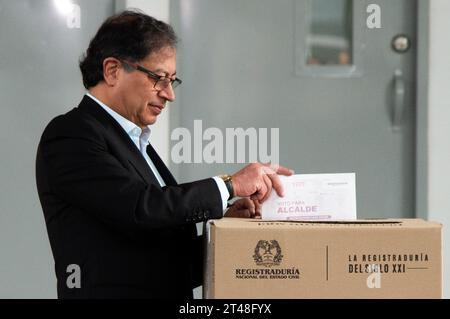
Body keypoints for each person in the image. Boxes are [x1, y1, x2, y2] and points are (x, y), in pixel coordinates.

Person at [35, 10, 293, 299]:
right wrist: (229, 185)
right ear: (112, 71)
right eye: (159, 78)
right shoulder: (70, 134)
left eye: (173, 80)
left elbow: (164, 260)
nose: (169, 94)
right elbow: (140, 207)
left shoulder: (135, 143)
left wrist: (225, 228)